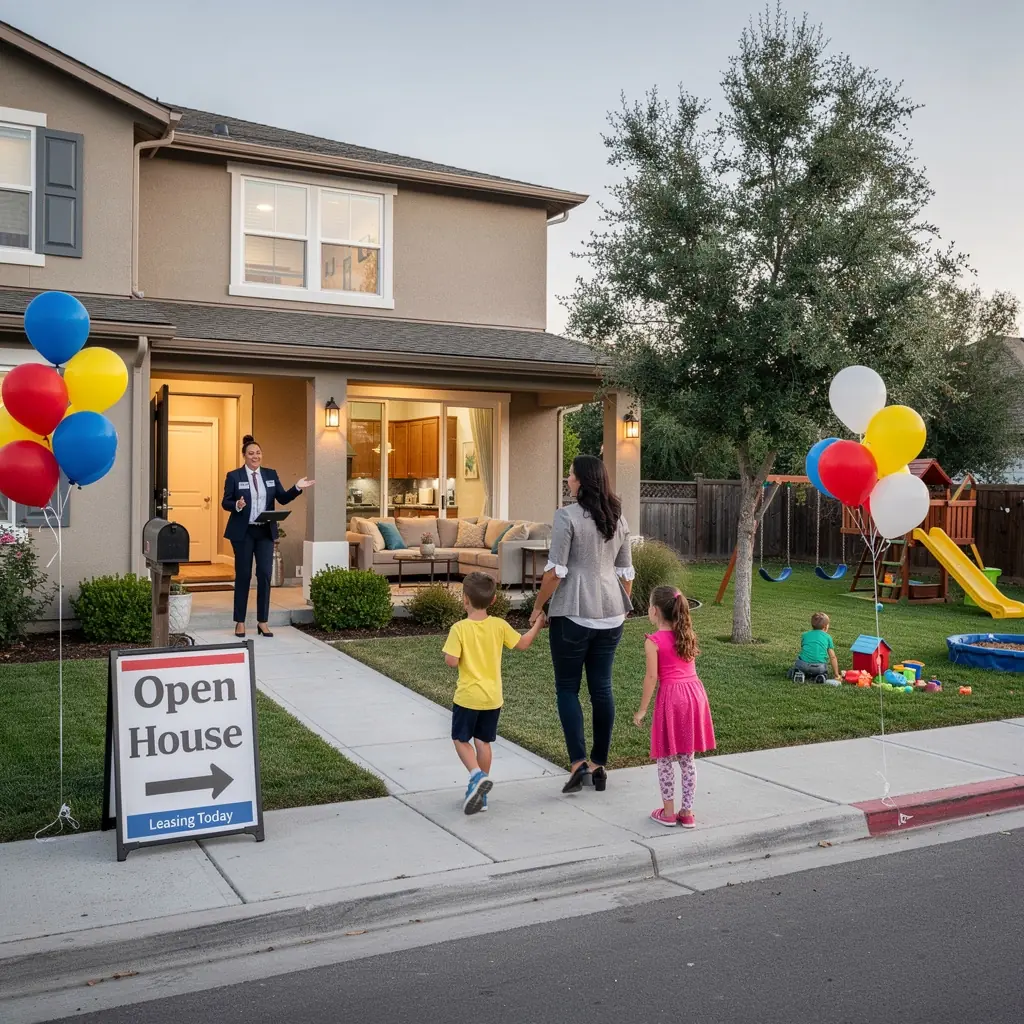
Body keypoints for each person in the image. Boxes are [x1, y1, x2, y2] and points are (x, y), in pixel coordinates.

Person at [529, 455, 634, 795]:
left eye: (571, 476)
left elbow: (555, 571)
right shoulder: (618, 519)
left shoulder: (567, 516)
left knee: (567, 688)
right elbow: (625, 575)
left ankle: (578, 764)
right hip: (611, 615)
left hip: (572, 614)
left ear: (582, 481)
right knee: (602, 688)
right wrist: (619, 607)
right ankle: (600, 764)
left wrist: (537, 606)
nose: (568, 481)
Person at [443, 572, 545, 815]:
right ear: (493, 601)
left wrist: (454, 655)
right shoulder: (499, 625)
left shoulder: (459, 629)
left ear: (464, 599)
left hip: (468, 697)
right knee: (483, 742)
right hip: (492, 698)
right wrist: (539, 625)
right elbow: (522, 644)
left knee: (460, 739)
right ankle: (481, 795)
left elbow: (451, 661)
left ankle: (476, 776)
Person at [633, 586, 716, 828]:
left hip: (671, 698)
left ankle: (667, 812)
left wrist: (642, 710)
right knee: (687, 758)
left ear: (654, 611)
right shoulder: (687, 634)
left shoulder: (653, 641)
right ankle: (687, 812)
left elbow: (651, 678)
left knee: (665, 757)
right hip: (694, 696)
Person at [222, 435, 313, 639]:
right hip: (243, 532)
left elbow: (281, 498)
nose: (255, 456)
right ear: (244, 456)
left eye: (258, 453)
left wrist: (297, 487)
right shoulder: (234, 476)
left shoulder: (270, 474)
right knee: (244, 575)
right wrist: (236, 505)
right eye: (251, 453)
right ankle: (240, 622)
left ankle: (263, 622)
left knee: (264, 575)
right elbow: (225, 502)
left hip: (264, 532)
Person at [788, 611, 840, 684]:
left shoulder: (805, 635)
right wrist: (836, 674)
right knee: (823, 671)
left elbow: (803, 647)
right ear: (825, 627)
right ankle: (821, 676)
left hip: (803, 665)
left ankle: (799, 673)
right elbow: (833, 657)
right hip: (819, 667)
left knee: (799, 662)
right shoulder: (828, 637)